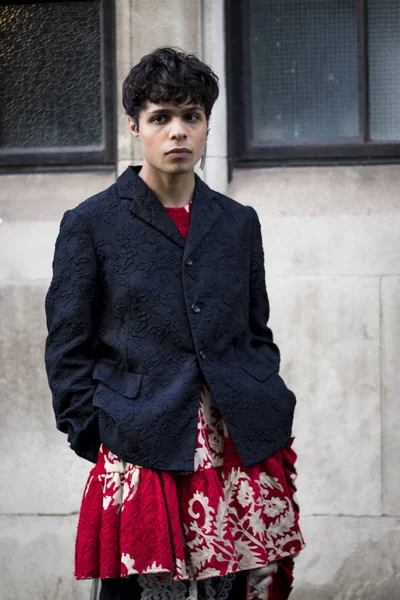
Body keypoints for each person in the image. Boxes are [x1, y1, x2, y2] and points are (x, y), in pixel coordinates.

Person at [45, 47, 305, 600]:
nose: (177, 131)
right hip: (140, 444)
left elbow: (256, 331)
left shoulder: (238, 223)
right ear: (136, 126)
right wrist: (98, 433)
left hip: (237, 444)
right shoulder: (90, 223)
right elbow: (67, 346)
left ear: (208, 124)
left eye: (191, 116)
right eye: (161, 117)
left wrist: (267, 396)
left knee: (238, 590)